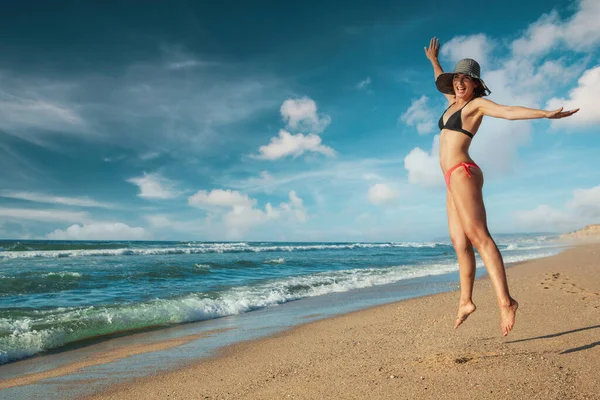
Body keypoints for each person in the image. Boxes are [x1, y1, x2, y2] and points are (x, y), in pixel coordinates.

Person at [424, 37, 579, 336]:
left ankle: (506, 301)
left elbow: (509, 112)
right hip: (449, 179)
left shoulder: (476, 106)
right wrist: (434, 62)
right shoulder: (451, 104)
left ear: (476, 85)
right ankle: (466, 301)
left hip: (463, 172)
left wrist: (545, 114)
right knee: (460, 243)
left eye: (465, 80)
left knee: (479, 237)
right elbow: (439, 82)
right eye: (457, 79)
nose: (459, 84)